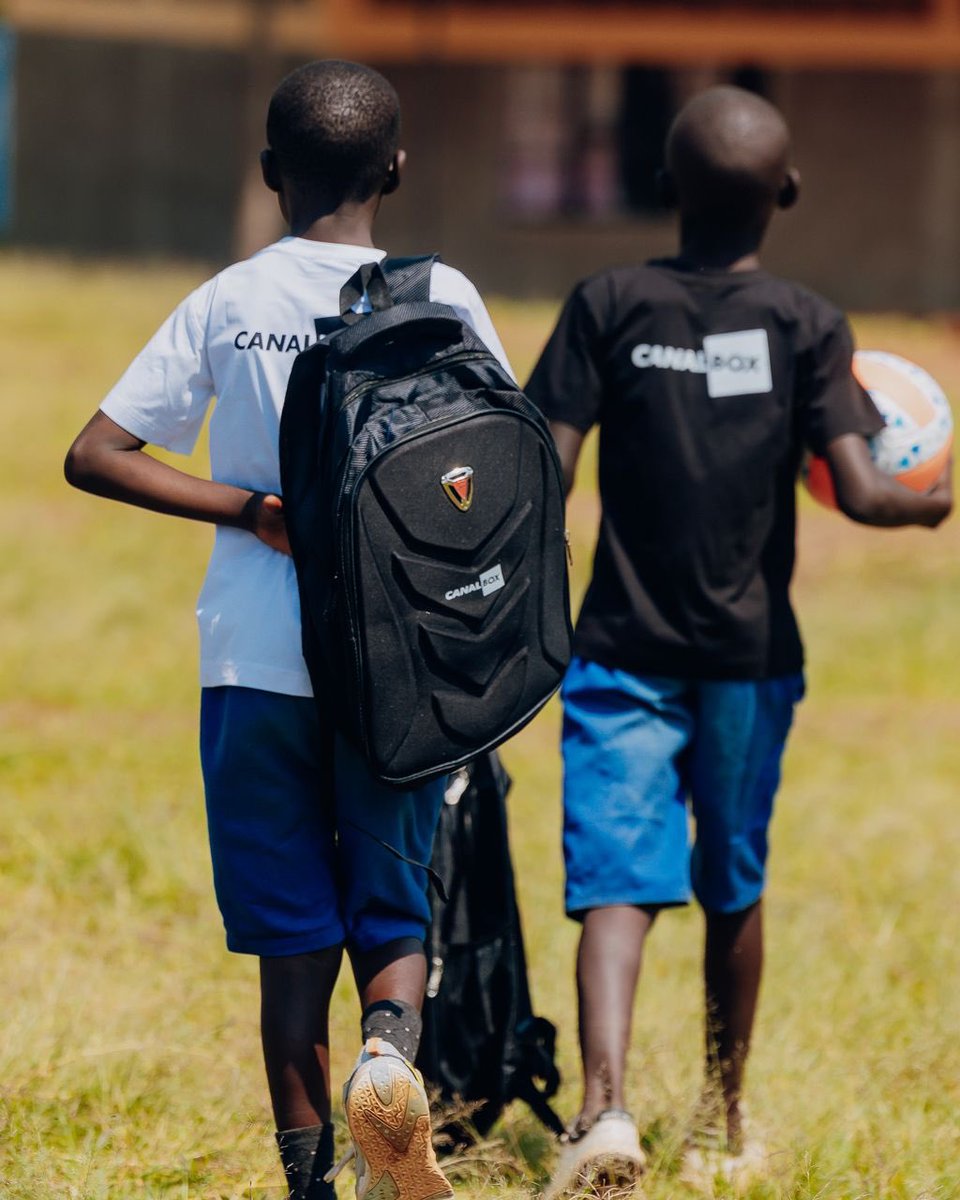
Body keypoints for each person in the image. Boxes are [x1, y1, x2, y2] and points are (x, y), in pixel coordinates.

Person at [64, 59, 513, 1200]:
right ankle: (388, 1057)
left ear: (270, 176)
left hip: (253, 663)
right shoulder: (442, 293)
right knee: (393, 907)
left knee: (288, 939)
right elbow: (503, 468)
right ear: (397, 170)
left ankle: (308, 1181)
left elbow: (96, 454)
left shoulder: (230, 300)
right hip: (401, 667)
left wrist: (252, 510)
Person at [524, 84, 952, 1192]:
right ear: (789, 194)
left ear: (664, 187)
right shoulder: (809, 326)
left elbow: (547, 470)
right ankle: (721, 1117)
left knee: (615, 883)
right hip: (751, 662)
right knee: (734, 880)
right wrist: (933, 502)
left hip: (618, 646)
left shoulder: (607, 303)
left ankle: (604, 1113)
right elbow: (860, 492)